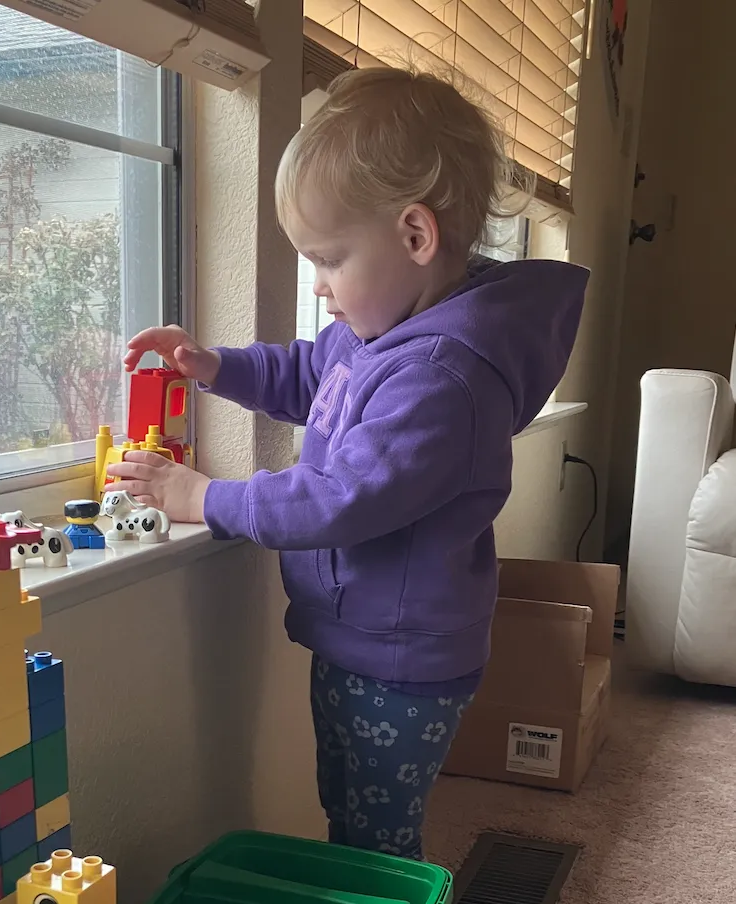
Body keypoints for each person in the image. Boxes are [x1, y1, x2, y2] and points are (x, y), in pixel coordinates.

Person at [111, 66, 589, 859]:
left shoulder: (441, 377)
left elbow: (336, 499)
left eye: (330, 259)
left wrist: (204, 497)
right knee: (349, 817)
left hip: (402, 662)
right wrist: (215, 365)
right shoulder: (377, 336)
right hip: (360, 640)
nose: (320, 286)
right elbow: (307, 375)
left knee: (375, 844)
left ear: (414, 235)